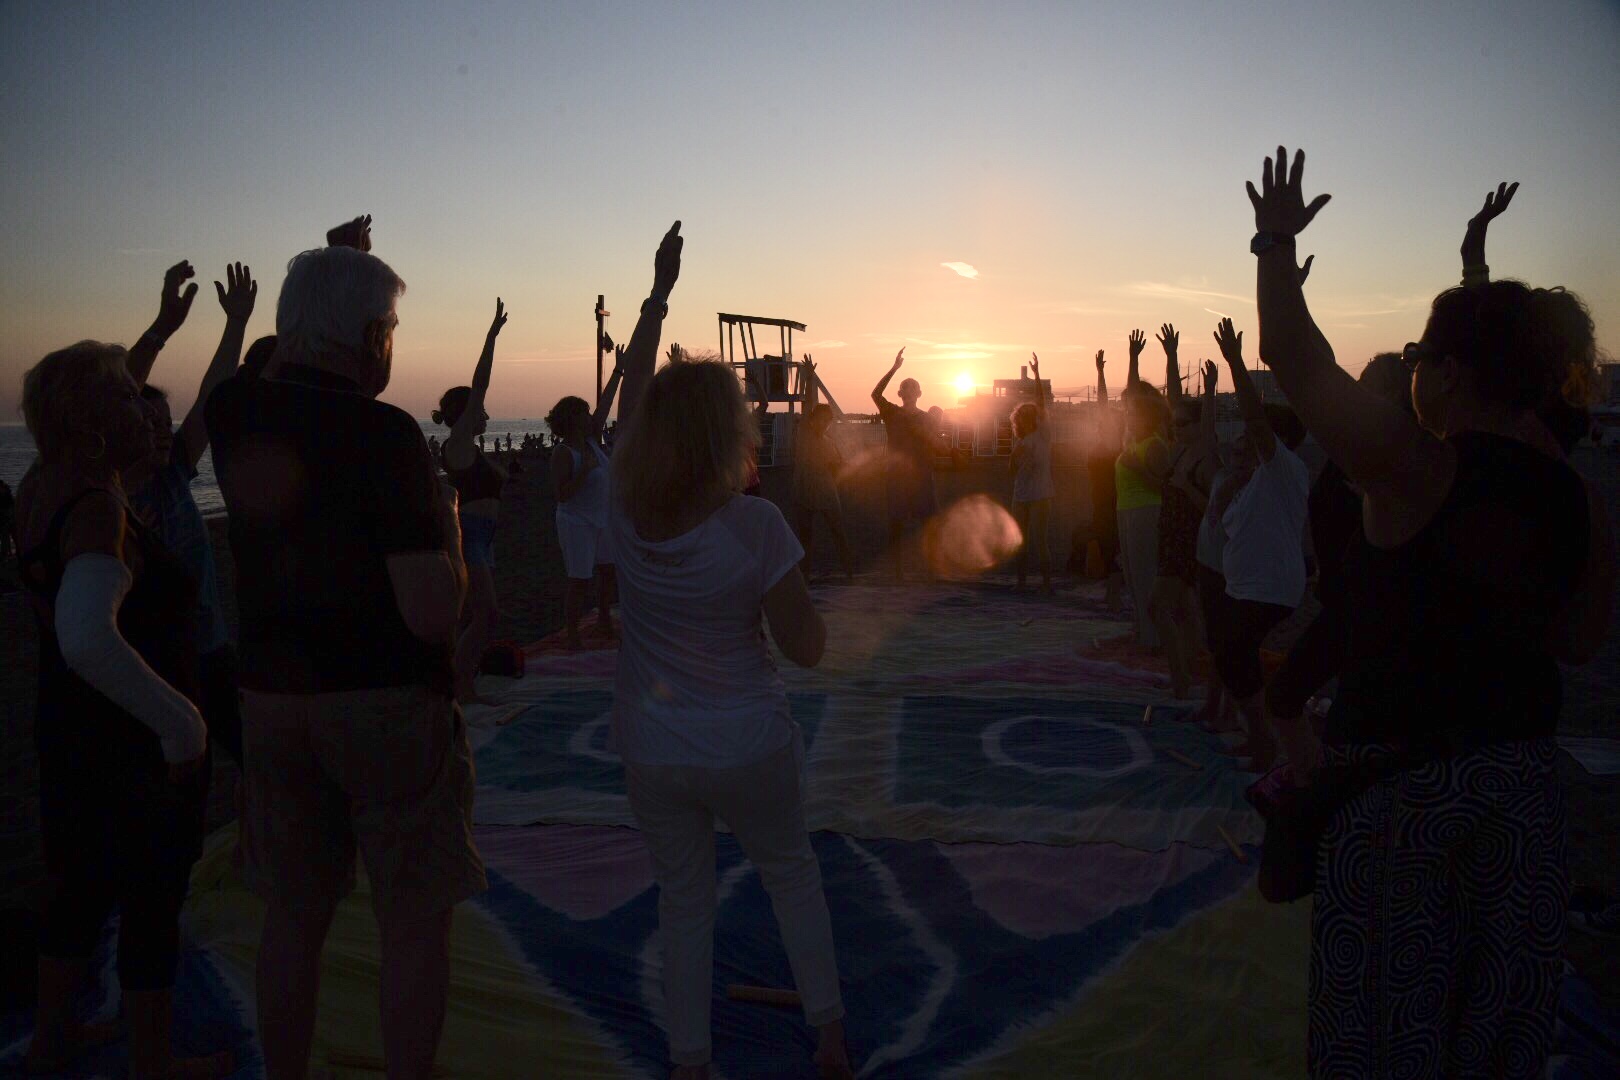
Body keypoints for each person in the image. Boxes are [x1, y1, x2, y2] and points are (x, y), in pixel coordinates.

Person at [1246, 147, 1611, 1078]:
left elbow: (1296, 358)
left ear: (1447, 376)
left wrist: (1276, 240)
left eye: (1421, 357)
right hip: (1527, 801)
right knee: (1498, 1044)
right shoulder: (1572, 492)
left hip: (1406, 803)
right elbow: (1577, 643)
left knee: (1384, 1040)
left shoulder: (1419, 466)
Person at [207, 245, 485, 1080]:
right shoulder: (386, 435)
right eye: (390, 328)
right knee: (411, 921)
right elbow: (432, 611)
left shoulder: (233, 415)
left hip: (269, 704)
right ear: (372, 338)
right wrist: (451, 526)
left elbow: (242, 377)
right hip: (385, 705)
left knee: (293, 920)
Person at [607, 224, 853, 1080]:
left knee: (685, 904)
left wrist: (657, 294)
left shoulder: (621, 511)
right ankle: (827, 1034)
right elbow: (809, 651)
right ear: (728, 437)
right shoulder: (756, 526)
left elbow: (630, 388)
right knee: (790, 873)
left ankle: (690, 1060)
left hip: (652, 747)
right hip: (748, 743)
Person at [15, 340, 229, 1078]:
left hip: (68, 730)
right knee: (149, 897)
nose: (147, 406)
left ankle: (51, 1041)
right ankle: (151, 1060)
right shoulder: (99, 506)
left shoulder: (44, 483)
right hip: (131, 745)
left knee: (76, 887)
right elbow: (86, 637)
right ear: (94, 420)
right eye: (129, 396)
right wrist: (183, 726)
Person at [126, 261, 258, 768]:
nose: (162, 431)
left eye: (166, 421)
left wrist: (236, 324)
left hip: (210, 649)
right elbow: (109, 398)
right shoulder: (112, 494)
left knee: (252, 758)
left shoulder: (174, 473)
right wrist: (161, 329)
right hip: (151, 663)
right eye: (147, 422)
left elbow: (210, 399)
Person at [1207, 318, 1311, 770]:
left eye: (1257, 436)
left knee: (1235, 656)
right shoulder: (1251, 481)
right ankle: (1260, 736)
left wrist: (1235, 362)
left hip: (1268, 589)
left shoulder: (1283, 468)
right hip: (1243, 586)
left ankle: (1269, 741)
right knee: (1229, 657)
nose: (1248, 440)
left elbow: (1254, 415)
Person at [432, 300, 510, 705]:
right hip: (471, 539)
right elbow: (479, 383)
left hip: (483, 538)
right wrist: (491, 337)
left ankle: (457, 681)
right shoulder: (458, 444)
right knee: (486, 614)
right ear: (467, 413)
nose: (486, 415)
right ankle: (460, 685)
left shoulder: (474, 452)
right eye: (479, 410)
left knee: (478, 615)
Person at [1152, 347, 1218, 699]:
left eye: (1183, 424)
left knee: (1162, 606)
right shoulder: (1177, 449)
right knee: (1185, 610)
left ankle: (1182, 680)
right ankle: (1189, 672)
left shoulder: (1204, 455)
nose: (1176, 428)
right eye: (1174, 424)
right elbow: (1175, 401)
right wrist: (1172, 355)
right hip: (1170, 537)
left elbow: (1210, 507)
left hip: (1190, 540)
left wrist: (1209, 391)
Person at [548, 354, 624, 649]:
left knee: (608, 572)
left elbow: (604, 405)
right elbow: (561, 494)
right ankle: (573, 635)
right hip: (576, 522)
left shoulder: (592, 441)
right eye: (583, 413)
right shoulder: (564, 453)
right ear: (571, 419)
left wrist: (619, 370)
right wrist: (586, 472)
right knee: (579, 578)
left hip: (602, 519)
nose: (589, 417)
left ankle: (604, 623)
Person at [1115, 329, 1171, 647]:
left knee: (1145, 573)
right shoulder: (1133, 439)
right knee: (1133, 575)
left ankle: (1153, 638)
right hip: (1127, 510)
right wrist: (1132, 358)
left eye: (1133, 412)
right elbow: (1132, 395)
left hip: (1146, 511)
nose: (1127, 413)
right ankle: (1142, 630)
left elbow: (1166, 486)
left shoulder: (1153, 445)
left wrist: (1138, 469)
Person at [870, 349, 939, 582]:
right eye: (905, 388)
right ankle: (898, 572)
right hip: (898, 476)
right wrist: (894, 369)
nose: (909, 391)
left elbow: (931, 444)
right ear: (901, 393)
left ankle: (929, 572)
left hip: (921, 476)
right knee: (896, 524)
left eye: (913, 388)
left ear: (918, 393)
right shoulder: (892, 413)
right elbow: (876, 393)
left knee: (927, 524)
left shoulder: (925, 417)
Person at [791, 397, 855, 580]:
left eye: (827, 420)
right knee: (805, 536)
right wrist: (809, 379)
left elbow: (837, 465)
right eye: (820, 419)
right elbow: (806, 406)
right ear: (812, 420)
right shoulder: (803, 434)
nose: (823, 423)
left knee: (838, 532)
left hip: (826, 489)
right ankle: (804, 575)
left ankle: (849, 572)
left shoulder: (829, 442)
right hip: (804, 489)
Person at [1010, 353, 1054, 592]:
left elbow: (1041, 403)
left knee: (1040, 540)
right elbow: (1011, 471)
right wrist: (1015, 459)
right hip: (1021, 494)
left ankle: (1046, 584)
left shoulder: (1043, 434)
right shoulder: (1020, 442)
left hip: (1041, 494)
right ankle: (1021, 582)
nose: (1027, 418)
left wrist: (1037, 374)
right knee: (1021, 541)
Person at [1085, 349, 1124, 611]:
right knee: (1108, 548)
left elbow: (1102, 405)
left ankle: (1114, 597)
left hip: (1114, 505)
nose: (1099, 426)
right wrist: (1098, 371)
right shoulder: (1102, 446)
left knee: (1114, 551)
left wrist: (1101, 374)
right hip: (1101, 504)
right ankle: (1113, 596)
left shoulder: (1113, 446)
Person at [0, 476, 15, 563]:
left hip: (7, 519)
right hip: (5, 519)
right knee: (5, 536)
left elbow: (11, 508)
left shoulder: (7, 496)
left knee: (6, 536)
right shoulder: (7, 494)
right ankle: (7, 553)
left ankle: (6, 554)